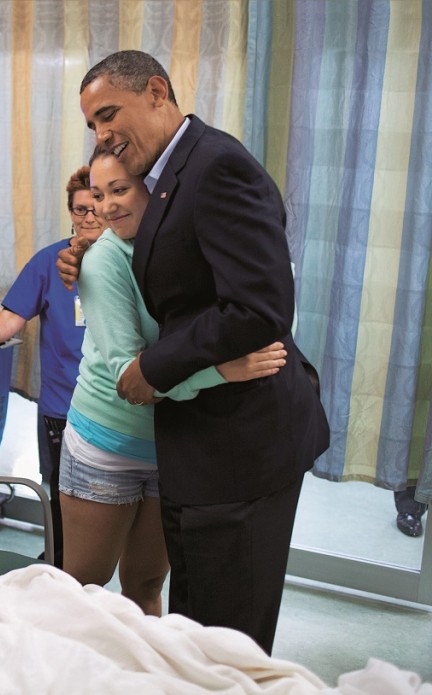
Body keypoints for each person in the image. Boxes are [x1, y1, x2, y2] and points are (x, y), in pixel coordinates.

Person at [59, 50, 329, 654]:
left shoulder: (215, 167)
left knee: (221, 639)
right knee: (196, 627)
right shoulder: (170, 177)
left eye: (109, 114)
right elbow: (175, 270)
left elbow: (259, 307)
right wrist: (87, 252)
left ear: (157, 91)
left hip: (240, 446)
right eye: (92, 127)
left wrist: (154, 371)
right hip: (197, 443)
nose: (102, 135)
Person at [61, 147, 288, 617]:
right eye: (98, 195)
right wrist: (222, 371)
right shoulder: (104, 261)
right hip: (111, 440)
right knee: (80, 587)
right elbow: (131, 376)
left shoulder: (187, 250)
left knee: (146, 584)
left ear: (157, 190)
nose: (105, 207)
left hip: (177, 442)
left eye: (119, 190)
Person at [0, 165, 104, 567]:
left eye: (96, 207)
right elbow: (12, 316)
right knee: (59, 494)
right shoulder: (49, 262)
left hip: (115, 409)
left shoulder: (130, 262)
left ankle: (84, 565)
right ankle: (59, 564)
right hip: (62, 408)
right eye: (79, 209)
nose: (88, 217)